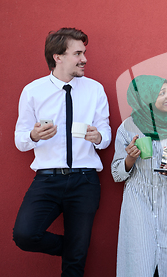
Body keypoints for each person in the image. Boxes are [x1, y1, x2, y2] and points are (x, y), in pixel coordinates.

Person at [13, 28, 111, 277]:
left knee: (74, 265)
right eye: (78, 53)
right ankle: (71, 247)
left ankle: (75, 251)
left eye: (84, 52)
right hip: (47, 179)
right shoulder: (33, 91)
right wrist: (34, 136)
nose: (84, 59)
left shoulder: (95, 90)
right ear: (58, 57)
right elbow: (20, 140)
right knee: (25, 234)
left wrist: (98, 137)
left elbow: (106, 135)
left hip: (85, 180)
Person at [111, 75, 167, 277]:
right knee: (140, 263)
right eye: (162, 93)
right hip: (138, 201)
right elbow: (116, 173)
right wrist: (130, 159)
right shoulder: (127, 127)